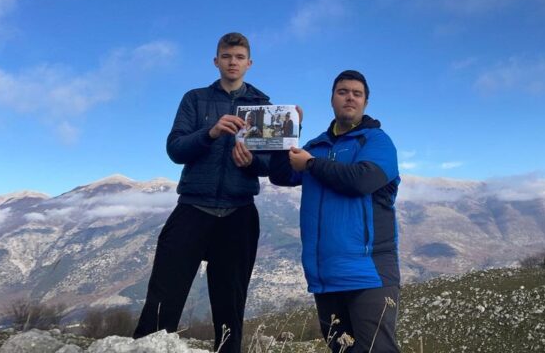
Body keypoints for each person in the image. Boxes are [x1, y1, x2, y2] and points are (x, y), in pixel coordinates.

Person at [133, 32, 288, 353]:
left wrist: (251, 163)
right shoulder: (195, 99)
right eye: (227, 56)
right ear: (216, 61)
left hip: (239, 211)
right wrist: (211, 132)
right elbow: (175, 149)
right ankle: (146, 348)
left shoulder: (263, 106)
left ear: (250, 63)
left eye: (239, 57)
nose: (233, 62)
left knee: (231, 301)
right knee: (164, 294)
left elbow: (270, 164)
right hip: (193, 206)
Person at [265, 70, 401, 352]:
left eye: (357, 93)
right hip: (325, 275)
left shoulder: (377, 141)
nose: (349, 97)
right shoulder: (316, 146)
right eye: (342, 92)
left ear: (365, 102)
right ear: (332, 99)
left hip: (369, 273)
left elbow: (362, 180)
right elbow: (280, 175)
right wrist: (290, 132)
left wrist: (312, 165)